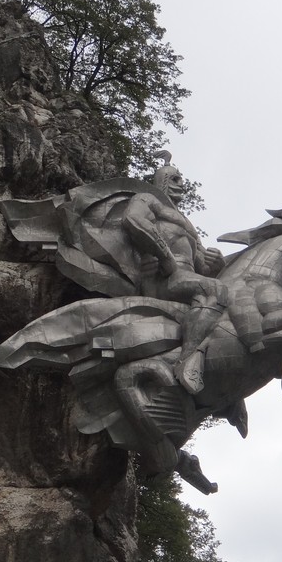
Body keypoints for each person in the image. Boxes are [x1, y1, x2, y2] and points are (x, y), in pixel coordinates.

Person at [122, 153, 228, 393]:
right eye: (176, 179)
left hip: (185, 276)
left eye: (181, 179)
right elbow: (133, 220)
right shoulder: (148, 200)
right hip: (161, 279)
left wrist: (216, 264)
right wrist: (164, 255)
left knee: (232, 297)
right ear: (163, 180)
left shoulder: (188, 225)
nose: (182, 184)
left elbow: (201, 266)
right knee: (215, 289)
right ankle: (187, 361)